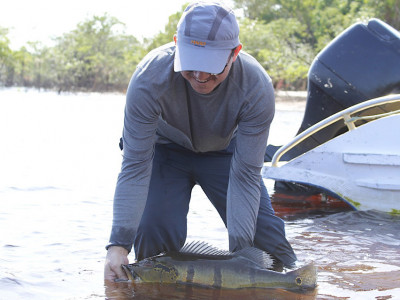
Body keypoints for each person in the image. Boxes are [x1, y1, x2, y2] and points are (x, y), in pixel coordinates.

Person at [104, 0, 297, 281]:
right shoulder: (148, 79)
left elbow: (245, 176)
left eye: (211, 66)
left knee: (267, 244)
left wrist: (241, 264)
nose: (200, 76)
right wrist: (118, 245)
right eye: (191, 64)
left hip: (227, 155)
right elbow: (135, 165)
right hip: (165, 152)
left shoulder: (256, 86)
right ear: (176, 45)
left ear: (235, 53)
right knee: (153, 235)